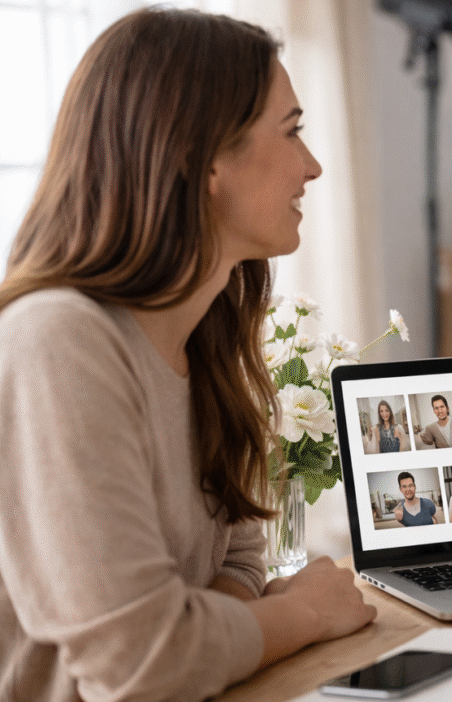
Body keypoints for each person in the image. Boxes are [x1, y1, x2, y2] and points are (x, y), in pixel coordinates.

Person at [0, 8, 376, 700]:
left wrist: (215, 626)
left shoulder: (204, 336)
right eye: (291, 131)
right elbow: (141, 663)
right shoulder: (58, 341)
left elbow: (236, 558)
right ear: (201, 158)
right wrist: (303, 613)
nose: (313, 166)